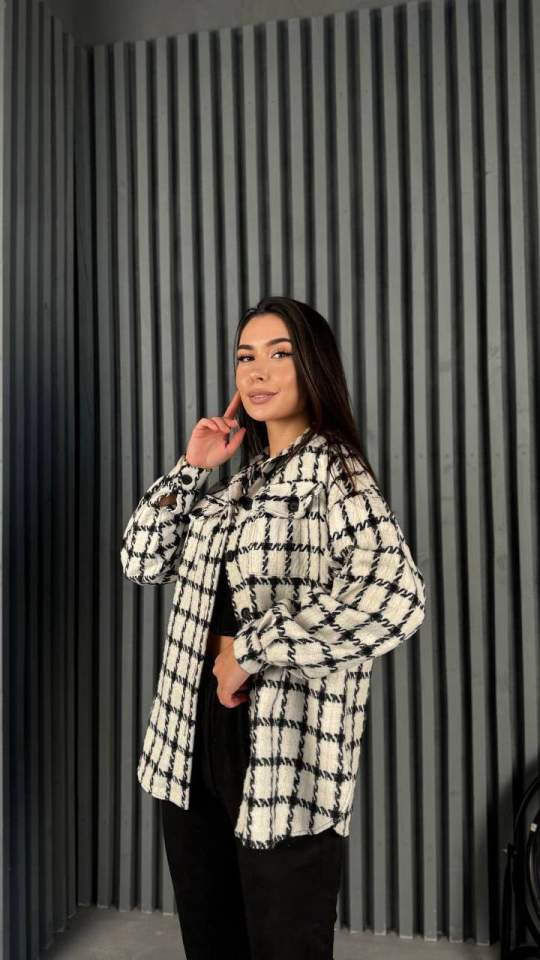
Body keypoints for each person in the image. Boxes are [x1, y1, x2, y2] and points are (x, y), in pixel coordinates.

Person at [120, 296, 427, 959]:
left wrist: (253, 649)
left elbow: (396, 598)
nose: (257, 373)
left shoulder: (337, 475)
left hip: (284, 752)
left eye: (279, 355)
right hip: (190, 740)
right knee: (212, 937)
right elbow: (142, 561)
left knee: (285, 942)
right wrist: (193, 467)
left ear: (313, 367)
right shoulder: (240, 485)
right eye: (245, 358)